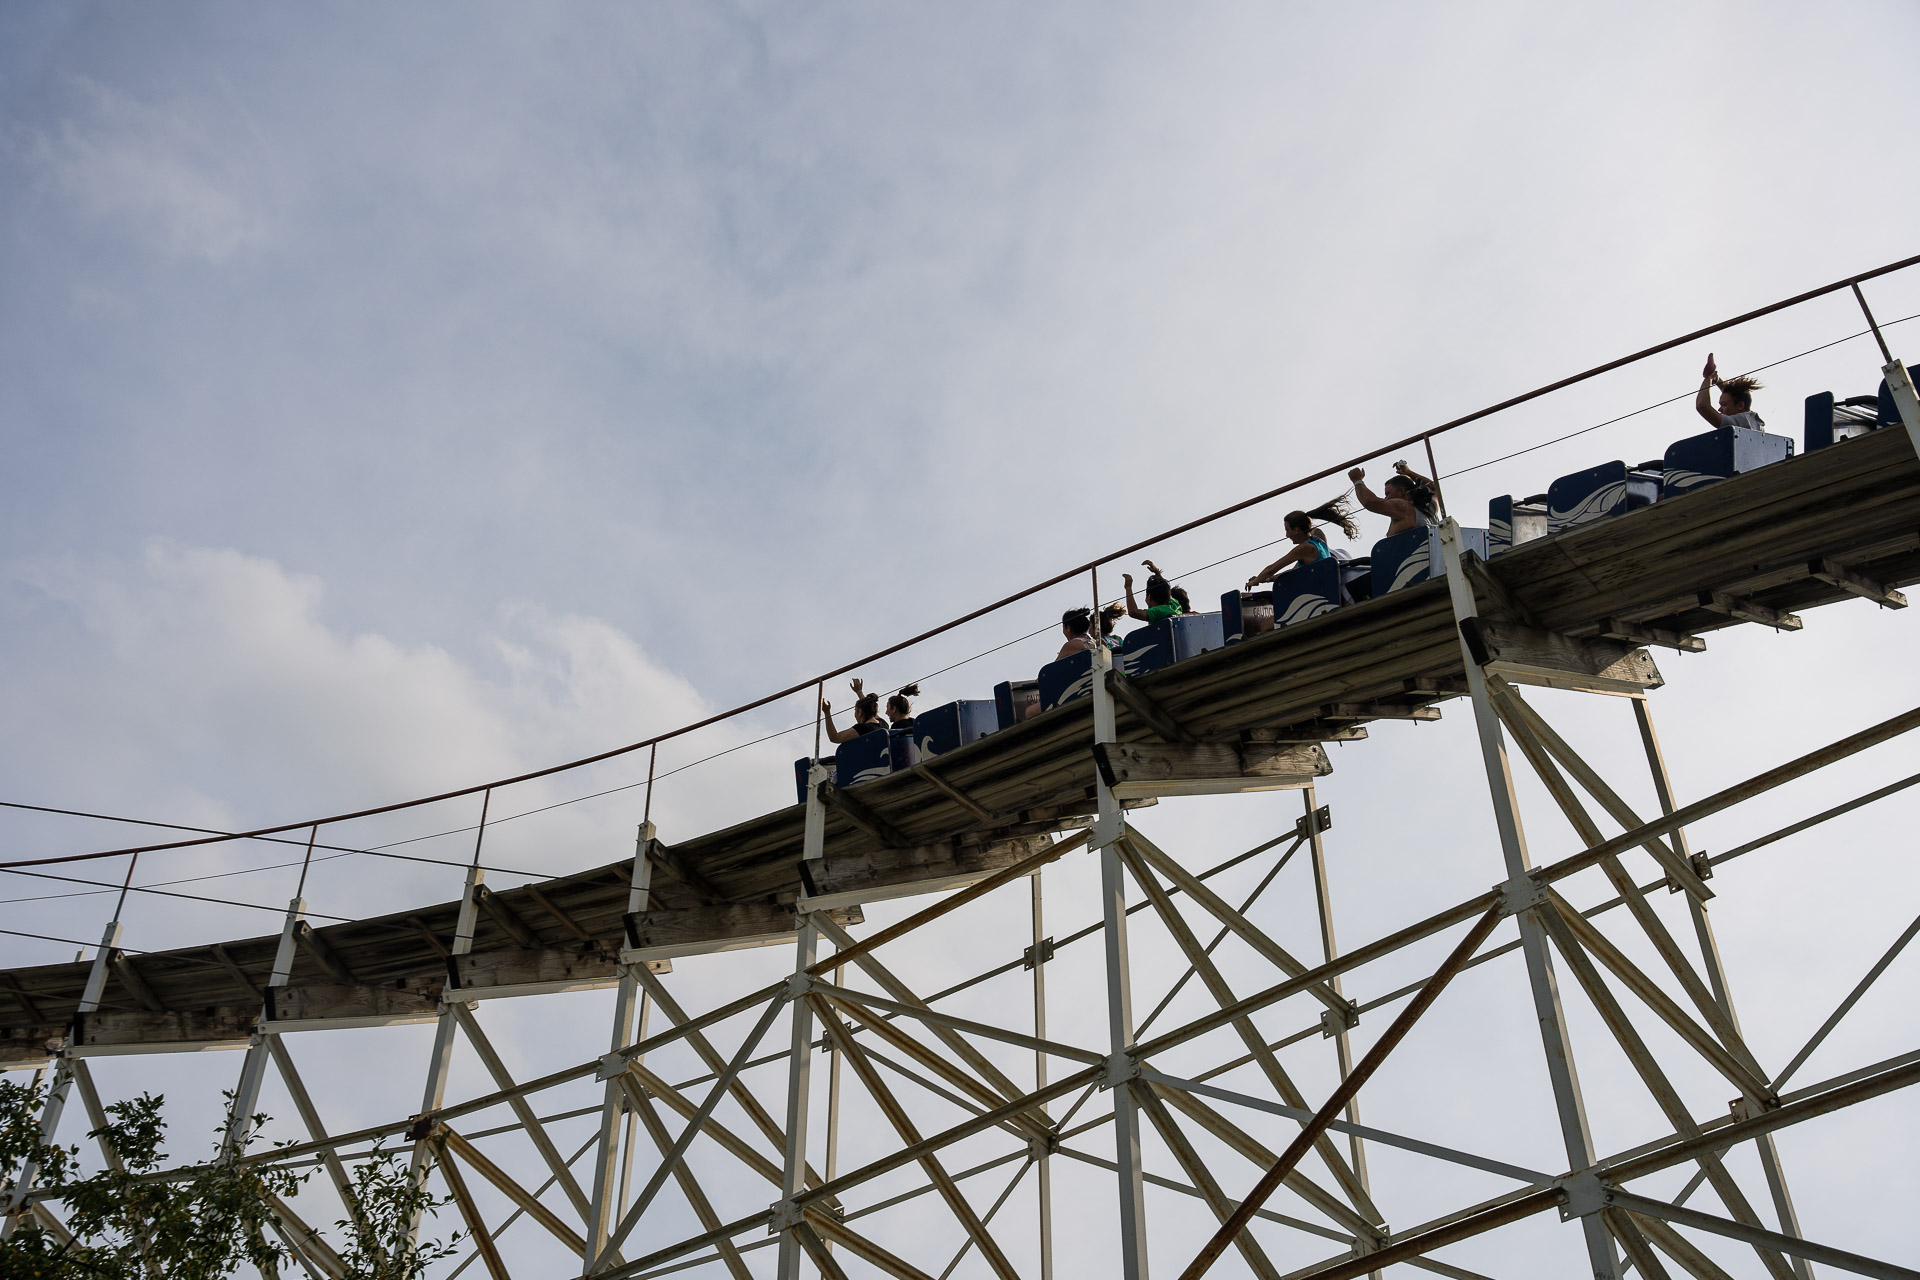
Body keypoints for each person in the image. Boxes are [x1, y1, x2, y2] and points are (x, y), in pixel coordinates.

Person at [1245, 498, 1359, 588]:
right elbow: (1291, 573)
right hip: (1328, 587)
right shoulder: (1319, 542)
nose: (1286, 535)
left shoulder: (1304, 548)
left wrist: (1254, 582)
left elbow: (1272, 568)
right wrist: (1265, 579)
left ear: (1296, 530)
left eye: (1287, 530)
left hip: (1320, 591)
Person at [1349, 463, 1438, 536]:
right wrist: (1409, 472)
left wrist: (1357, 480)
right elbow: (1434, 488)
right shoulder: (1431, 507)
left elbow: (1370, 502)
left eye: (1388, 494)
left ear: (1401, 491)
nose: (1386, 498)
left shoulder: (1403, 507)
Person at [1695, 352, 1765, 430]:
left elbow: (1702, 405)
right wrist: (1717, 380)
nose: (1719, 409)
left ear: (1740, 405)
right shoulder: (1752, 420)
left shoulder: (1741, 421)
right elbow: (1734, 395)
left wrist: (1708, 378)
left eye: (1724, 404)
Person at [821, 678, 885, 744]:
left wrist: (827, 712)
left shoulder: (862, 729)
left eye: (855, 710)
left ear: (859, 712)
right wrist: (859, 692)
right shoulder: (883, 724)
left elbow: (834, 737)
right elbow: (869, 706)